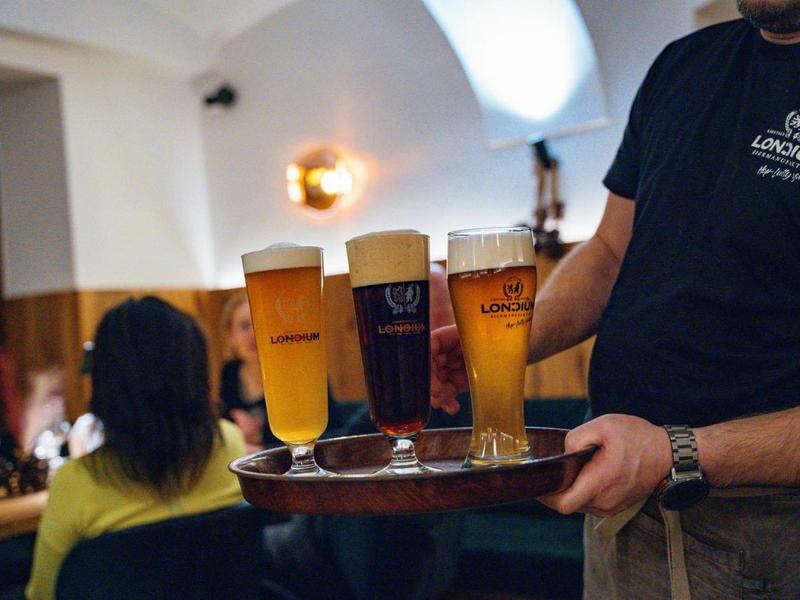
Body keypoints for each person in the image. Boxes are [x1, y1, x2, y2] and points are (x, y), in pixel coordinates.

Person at [432, 3, 800, 598]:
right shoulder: (683, 66)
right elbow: (608, 250)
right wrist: (504, 341)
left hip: (765, 530)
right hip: (622, 509)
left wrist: (676, 451)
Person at [26, 297, 245, 600]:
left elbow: (43, 594)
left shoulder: (75, 483)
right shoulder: (229, 444)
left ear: (105, 382)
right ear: (195, 373)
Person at [218, 293, 271, 449]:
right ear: (230, 335)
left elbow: (332, 432)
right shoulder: (229, 372)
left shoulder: (295, 370)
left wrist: (262, 448)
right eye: (245, 326)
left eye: (260, 324)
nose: (254, 334)